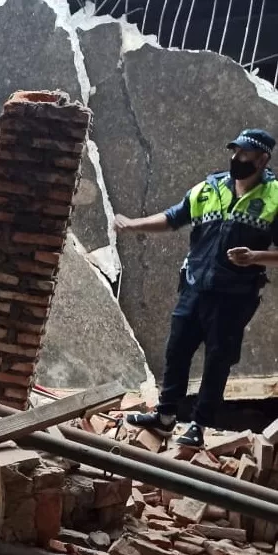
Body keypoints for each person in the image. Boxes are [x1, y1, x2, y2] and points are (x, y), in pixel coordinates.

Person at [115, 129, 278, 448]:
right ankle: (164, 418)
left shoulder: (274, 198)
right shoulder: (211, 186)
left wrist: (255, 257)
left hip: (234, 297)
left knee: (218, 361)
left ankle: (200, 426)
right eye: (234, 152)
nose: (236, 159)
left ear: (262, 159)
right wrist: (133, 225)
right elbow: (175, 217)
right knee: (176, 353)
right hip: (194, 287)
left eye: (244, 154)